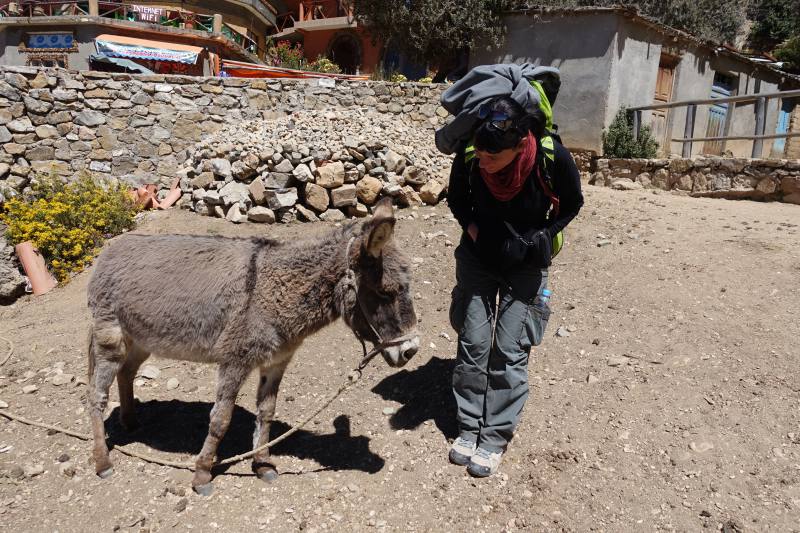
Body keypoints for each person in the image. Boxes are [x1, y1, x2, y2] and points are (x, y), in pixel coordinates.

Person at [446, 95, 584, 477]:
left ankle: (493, 437)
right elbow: (457, 200)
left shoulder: (551, 158)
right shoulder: (474, 151)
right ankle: (470, 426)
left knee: (509, 348)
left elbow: (573, 203)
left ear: (521, 145)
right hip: (478, 259)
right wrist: (475, 233)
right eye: (480, 156)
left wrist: (545, 235)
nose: (484, 163)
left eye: (493, 158)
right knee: (474, 343)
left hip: (525, 266)